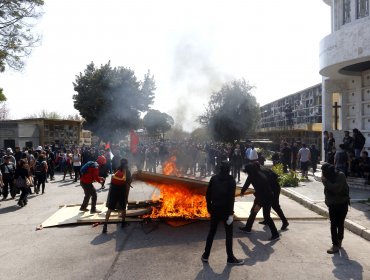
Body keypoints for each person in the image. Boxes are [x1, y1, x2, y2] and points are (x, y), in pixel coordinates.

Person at [201, 161, 244, 265]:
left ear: (219, 169)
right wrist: (230, 214)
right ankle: (230, 258)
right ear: (229, 170)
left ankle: (206, 255)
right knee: (229, 234)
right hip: (225, 211)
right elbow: (231, 199)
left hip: (215, 209)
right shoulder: (231, 181)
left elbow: (208, 194)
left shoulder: (214, 178)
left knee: (212, 232)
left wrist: (209, 207)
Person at [240, 164, 289, 231]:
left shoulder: (256, 174)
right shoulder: (257, 171)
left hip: (273, 189)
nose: (247, 173)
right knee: (263, 208)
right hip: (268, 191)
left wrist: (242, 192)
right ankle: (266, 220)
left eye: (247, 172)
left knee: (275, 206)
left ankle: (285, 222)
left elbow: (247, 183)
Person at [321, 163, 350, 254]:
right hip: (332, 204)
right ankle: (335, 245)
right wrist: (327, 201)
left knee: (340, 223)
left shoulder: (340, 175)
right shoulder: (328, 177)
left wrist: (325, 181)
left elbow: (336, 188)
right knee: (333, 224)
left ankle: (339, 240)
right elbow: (327, 191)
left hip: (342, 203)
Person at [102, 158, 132, 234]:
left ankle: (105, 225)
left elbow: (112, 181)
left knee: (110, 209)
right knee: (123, 208)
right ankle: (123, 223)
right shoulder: (127, 171)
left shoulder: (116, 170)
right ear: (127, 164)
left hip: (113, 191)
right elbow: (128, 183)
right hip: (121, 191)